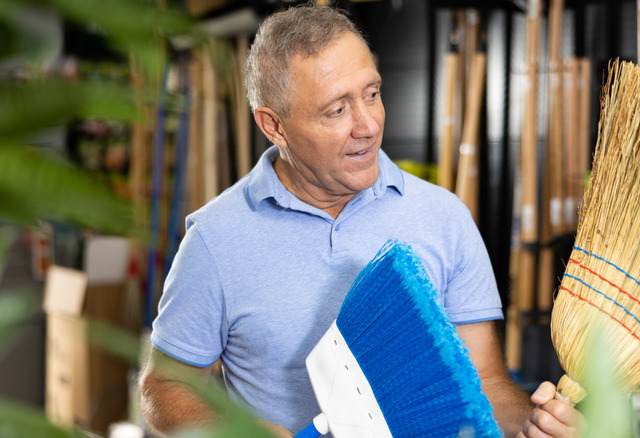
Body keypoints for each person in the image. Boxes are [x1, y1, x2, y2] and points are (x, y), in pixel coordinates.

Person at [138, 5, 586, 438]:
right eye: (337, 110)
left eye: (372, 94)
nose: (368, 124)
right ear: (273, 126)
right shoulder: (216, 239)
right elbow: (164, 386)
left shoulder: (443, 216)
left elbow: (483, 384)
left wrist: (534, 421)